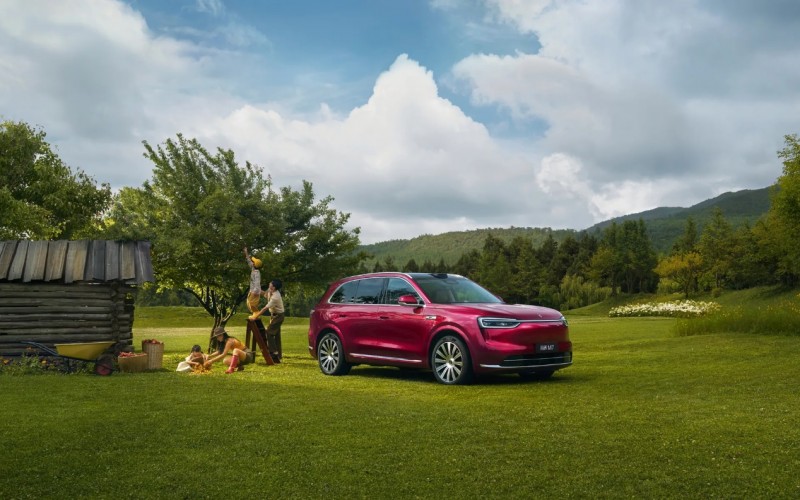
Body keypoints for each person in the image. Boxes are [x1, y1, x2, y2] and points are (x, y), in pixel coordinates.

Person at [249, 279, 284, 362]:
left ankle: (273, 353)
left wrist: (255, 317)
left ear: (274, 287)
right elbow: (264, 294)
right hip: (274, 316)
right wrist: (256, 290)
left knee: (269, 332)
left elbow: (265, 308)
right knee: (276, 335)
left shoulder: (275, 297)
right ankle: (278, 355)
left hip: (279, 316)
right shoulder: (270, 291)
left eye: (270, 284)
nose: (269, 284)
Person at [243, 246, 263, 314]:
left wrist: (254, 292)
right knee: (249, 303)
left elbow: (257, 283)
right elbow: (249, 261)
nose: (252, 262)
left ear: (254, 264)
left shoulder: (257, 273)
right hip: (252, 290)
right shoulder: (253, 268)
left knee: (252, 305)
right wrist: (246, 252)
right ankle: (255, 315)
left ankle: (256, 315)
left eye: (253, 262)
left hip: (255, 292)